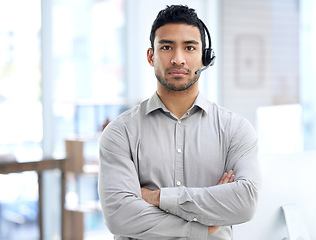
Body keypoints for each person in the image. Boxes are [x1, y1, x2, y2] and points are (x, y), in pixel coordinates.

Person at [98, 5, 261, 240]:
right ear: (151, 56)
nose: (177, 59)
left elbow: (245, 203)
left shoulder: (236, 130)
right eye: (166, 47)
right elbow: (119, 215)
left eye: (189, 47)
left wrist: (156, 198)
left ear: (205, 57)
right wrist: (205, 221)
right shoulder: (120, 133)